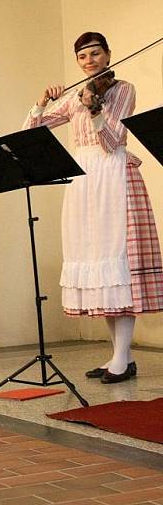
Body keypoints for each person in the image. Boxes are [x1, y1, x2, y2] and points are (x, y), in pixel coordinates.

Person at [23, 31, 163, 383]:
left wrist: (94, 107)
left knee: (118, 268)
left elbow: (113, 139)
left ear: (108, 54)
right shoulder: (74, 97)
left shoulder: (123, 89)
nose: (90, 61)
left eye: (96, 54)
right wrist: (42, 102)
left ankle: (120, 357)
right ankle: (121, 357)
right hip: (83, 181)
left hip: (113, 175)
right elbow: (29, 132)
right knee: (100, 271)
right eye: (83, 57)